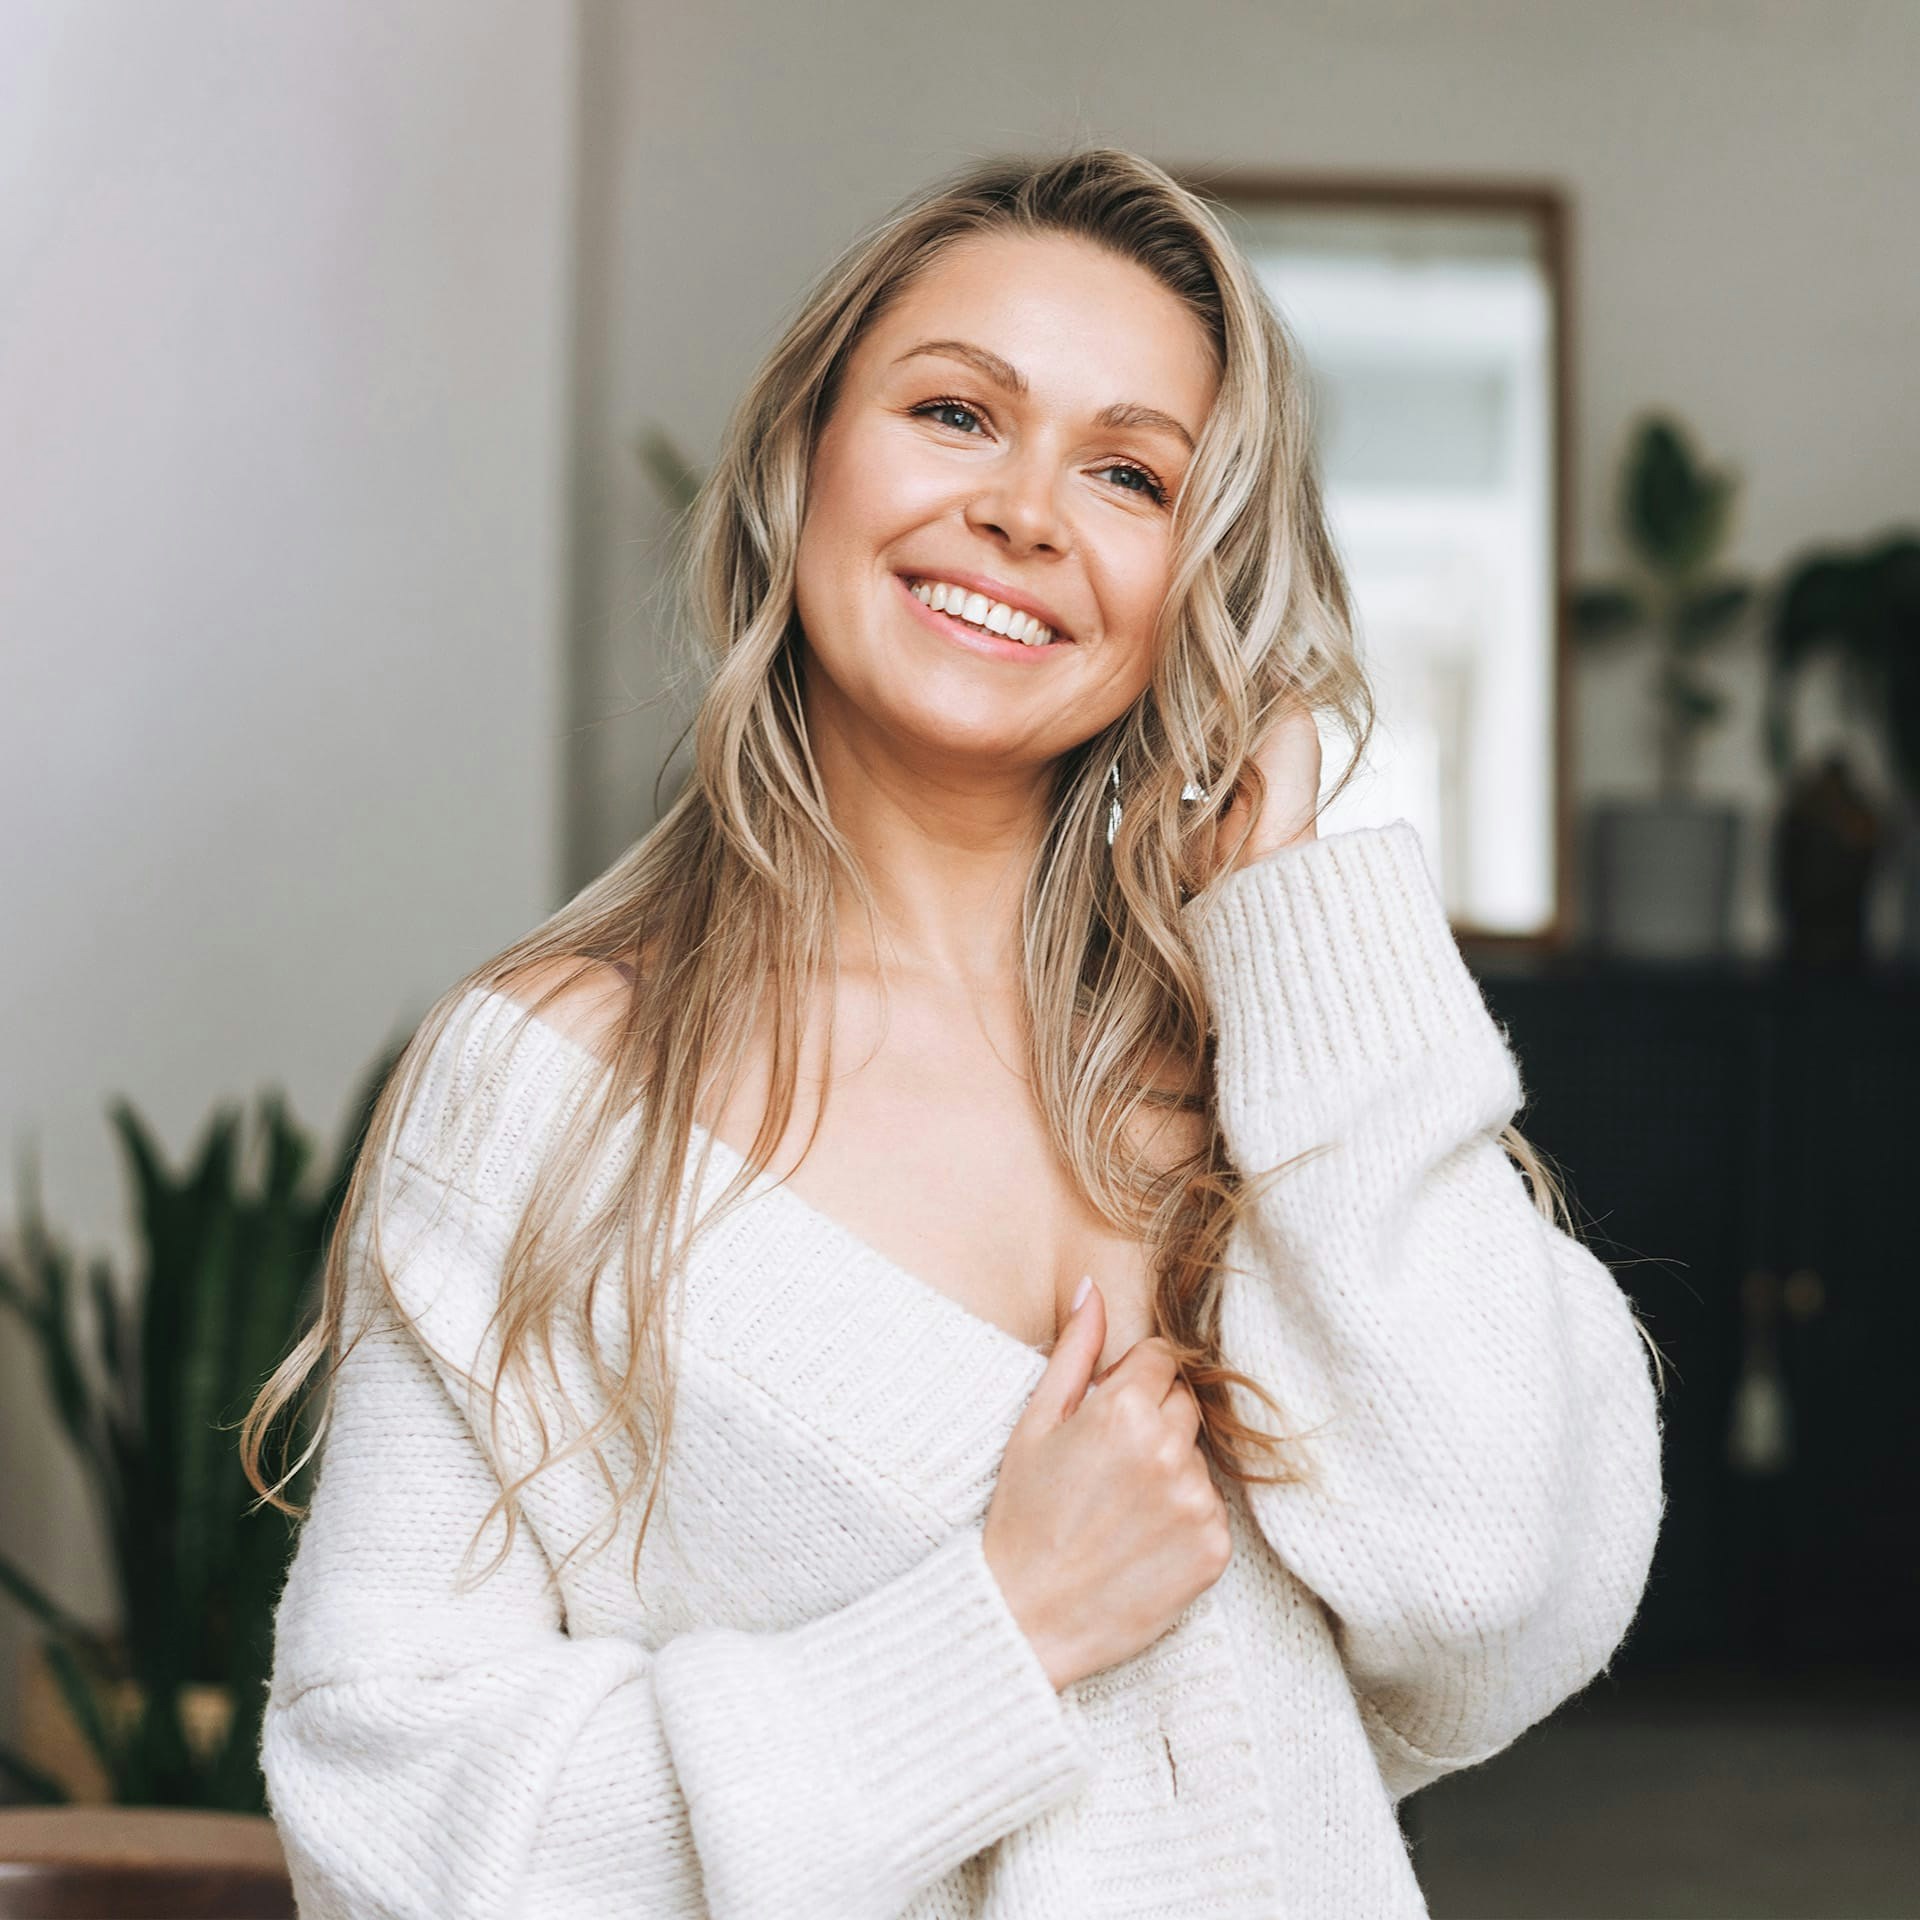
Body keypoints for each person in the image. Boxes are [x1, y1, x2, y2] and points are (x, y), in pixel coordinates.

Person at [242, 146, 1666, 1920]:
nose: (1025, 514)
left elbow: (1479, 1585)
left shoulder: (1272, 1062)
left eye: (1131, 473)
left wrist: (1296, 905)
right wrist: (993, 1633)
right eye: (955, 414)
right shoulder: (548, 1089)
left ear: (1192, 587)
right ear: (803, 458)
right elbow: (386, 1819)